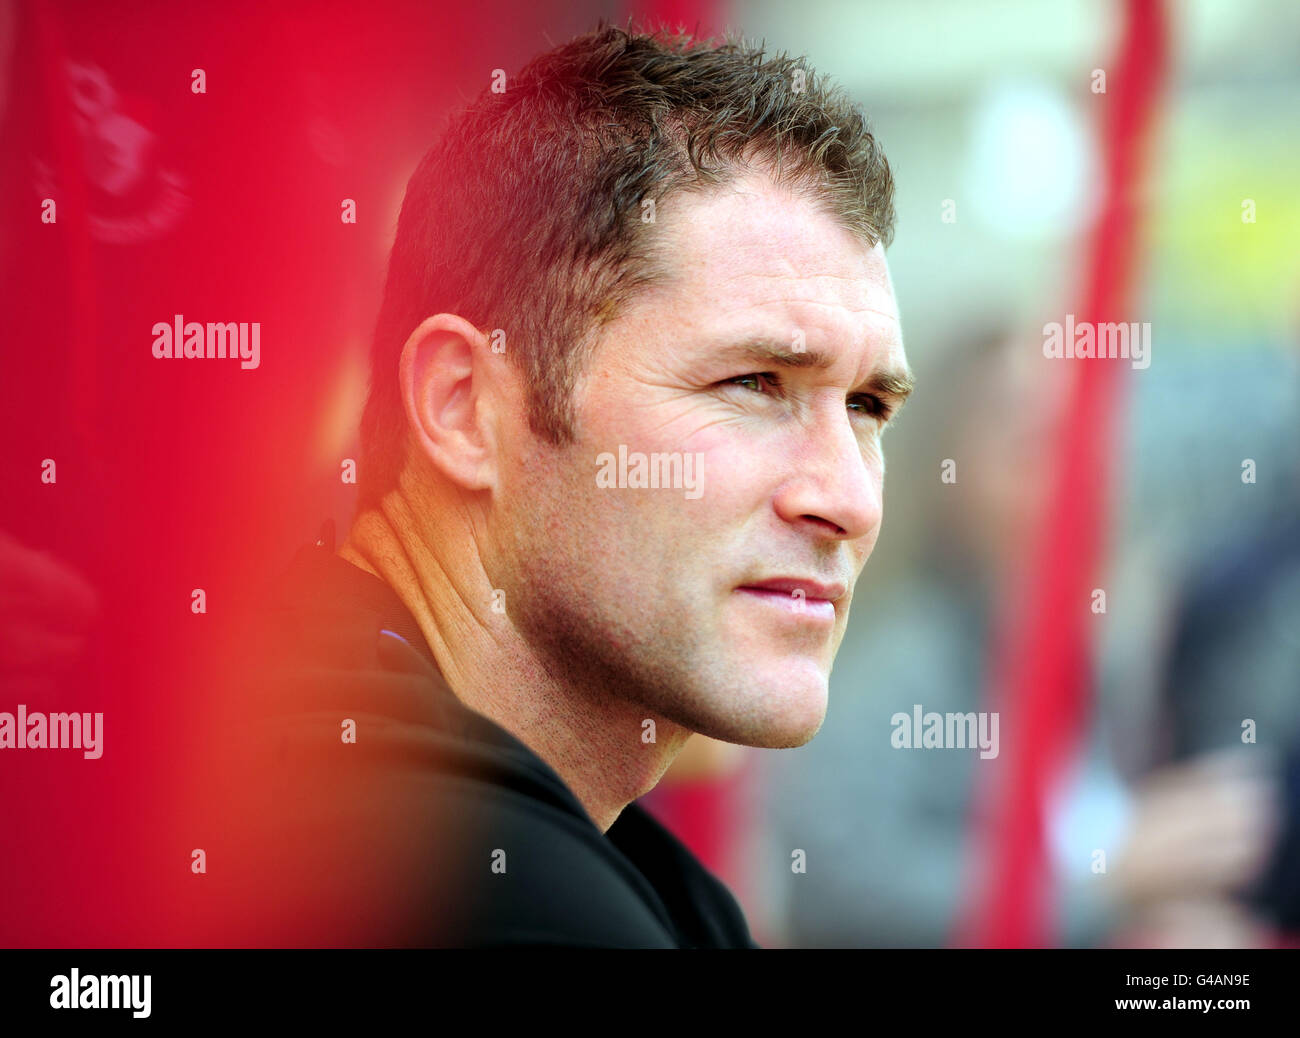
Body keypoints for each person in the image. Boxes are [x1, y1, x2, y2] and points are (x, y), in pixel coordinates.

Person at [194, 19, 914, 948]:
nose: (848, 500)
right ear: (464, 408)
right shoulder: (453, 878)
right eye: (753, 384)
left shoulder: (620, 874)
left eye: (867, 406)